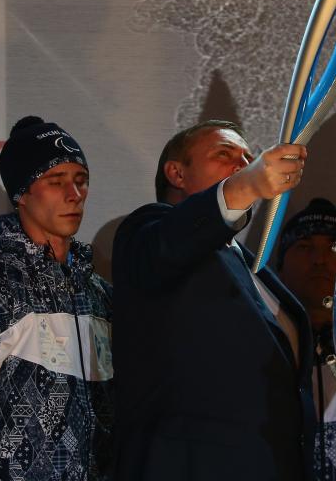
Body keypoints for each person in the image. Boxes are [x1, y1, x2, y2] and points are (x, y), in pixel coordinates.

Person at [112, 119, 316, 481]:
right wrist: (246, 184)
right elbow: (169, 245)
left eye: (248, 157)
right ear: (176, 173)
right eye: (224, 154)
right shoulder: (148, 233)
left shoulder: (254, 267)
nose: (242, 163)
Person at [0, 117, 114, 481]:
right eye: (55, 181)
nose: (73, 193)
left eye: (80, 180)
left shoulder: (101, 295)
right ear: (21, 193)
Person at [276, 198, 336, 481]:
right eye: (304, 247)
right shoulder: (257, 351)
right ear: (279, 269)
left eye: (334, 248)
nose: (320, 259)